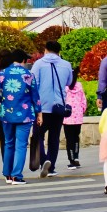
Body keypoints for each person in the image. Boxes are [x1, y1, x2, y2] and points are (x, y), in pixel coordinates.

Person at [0, 49, 42, 185]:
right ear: (24, 60)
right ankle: (17, 175)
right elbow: (35, 96)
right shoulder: (28, 75)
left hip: (6, 114)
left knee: (8, 143)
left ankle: (7, 174)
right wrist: (39, 113)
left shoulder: (2, 74)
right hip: (24, 115)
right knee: (21, 145)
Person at [30, 40, 74, 177]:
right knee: (54, 137)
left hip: (42, 108)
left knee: (38, 136)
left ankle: (43, 161)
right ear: (59, 51)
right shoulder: (66, 65)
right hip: (59, 108)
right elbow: (69, 82)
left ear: (46, 50)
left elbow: (33, 84)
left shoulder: (38, 64)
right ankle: (51, 165)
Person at [63, 70, 87, 170]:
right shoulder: (80, 86)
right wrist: (82, 110)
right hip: (78, 118)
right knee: (76, 137)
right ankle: (76, 157)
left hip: (67, 118)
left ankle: (71, 160)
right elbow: (84, 101)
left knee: (69, 140)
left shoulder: (64, 88)